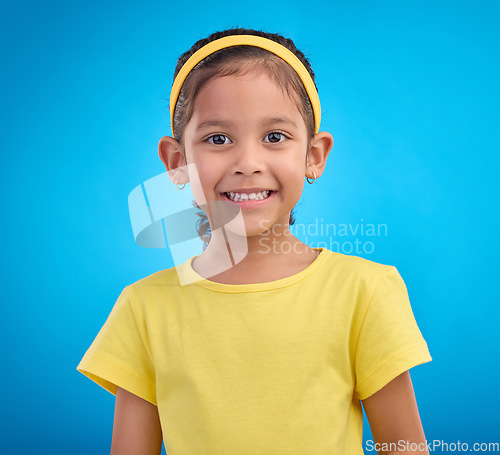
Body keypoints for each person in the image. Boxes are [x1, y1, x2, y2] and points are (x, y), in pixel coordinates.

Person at [77, 27, 432, 455]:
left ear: (314, 156)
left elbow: (405, 449)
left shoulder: (365, 292)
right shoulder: (143, 309)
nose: (248, 163)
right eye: (218, 139)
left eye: (275, 137)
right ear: (177, 163)